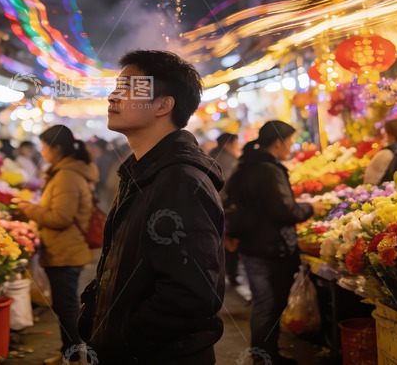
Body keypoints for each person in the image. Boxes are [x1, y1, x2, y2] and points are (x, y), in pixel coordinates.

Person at [78, 50, 225, 365]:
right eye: (116, 87)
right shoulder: (142, 173)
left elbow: (189, 294)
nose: (113, 96)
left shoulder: (179, 181)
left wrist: (123, 340)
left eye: (128, 88)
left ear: (163, 105)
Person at [223, 121, 325, 365]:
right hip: (270, 248)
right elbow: (284, 211)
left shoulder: (247, 164)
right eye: (289, 141)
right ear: (278, 142)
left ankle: (265, 355)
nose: (291, 146)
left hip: (253, 246)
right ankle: (265, 357)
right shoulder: (269, 169)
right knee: (269, 304)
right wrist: (311, 207)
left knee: (264, 304)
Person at [17, 125, 99, 365]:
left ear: (58, 149)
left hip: (66, 250)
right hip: (63, 248)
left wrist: (28, 209)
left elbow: (61, 218)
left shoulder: (67, 176)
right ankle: (68, 353)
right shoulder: (63, 172)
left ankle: (72, 357)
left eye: (45, 147)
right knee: (64, 305)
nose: (42, 152)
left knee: (67, 306)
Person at [209, 132, 241, 285]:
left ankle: (220, 273)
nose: (237, 147)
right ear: (228, 145)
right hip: (224, 206)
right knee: (228, 240)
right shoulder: (230, 160)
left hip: (210, 205)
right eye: (236, 144)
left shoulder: (211, 155)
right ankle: (231, 273)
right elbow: (229, 185)